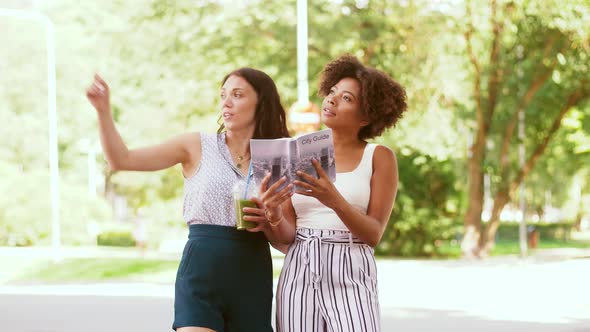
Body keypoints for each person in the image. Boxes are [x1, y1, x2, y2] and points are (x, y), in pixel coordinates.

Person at [86, 68, 290, 332]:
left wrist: (270, 220)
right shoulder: (196, 144)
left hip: (251, 271)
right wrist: (103, 111)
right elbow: (121, 160)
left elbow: (285, 242)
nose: (226, 102)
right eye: (223, 95)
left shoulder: (278, 158)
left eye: (237, 95)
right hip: (201, 268)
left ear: (261, 102)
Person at [256, 54, 408, 332]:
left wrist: (334, 200)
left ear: (366, 116)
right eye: (333, 92)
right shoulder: (298, 150)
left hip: (351, 266)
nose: (331, 100)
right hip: (300, 265)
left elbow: (373, 234)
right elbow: (286, 237)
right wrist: (273, 212)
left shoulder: (379, 157)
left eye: (347, 98)